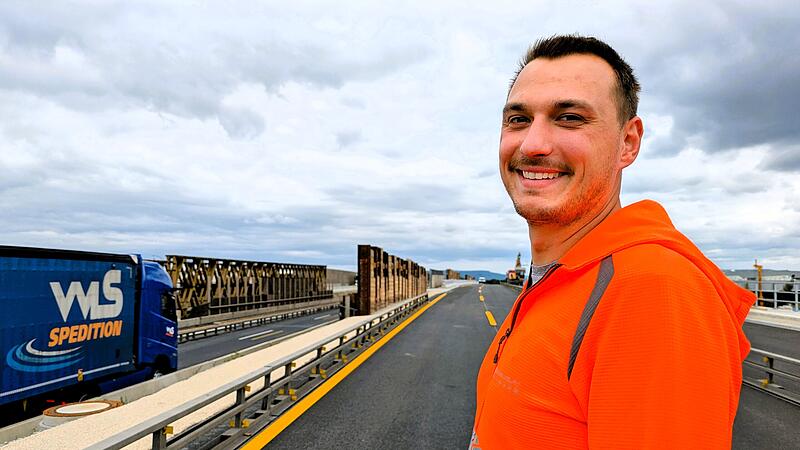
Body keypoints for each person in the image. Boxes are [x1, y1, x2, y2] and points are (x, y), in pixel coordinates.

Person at [471, 35, 754, 449]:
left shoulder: (652, 290)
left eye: (569, 117)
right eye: (518, 119)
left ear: (628, 143)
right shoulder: (559, 280)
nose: (533, 144)